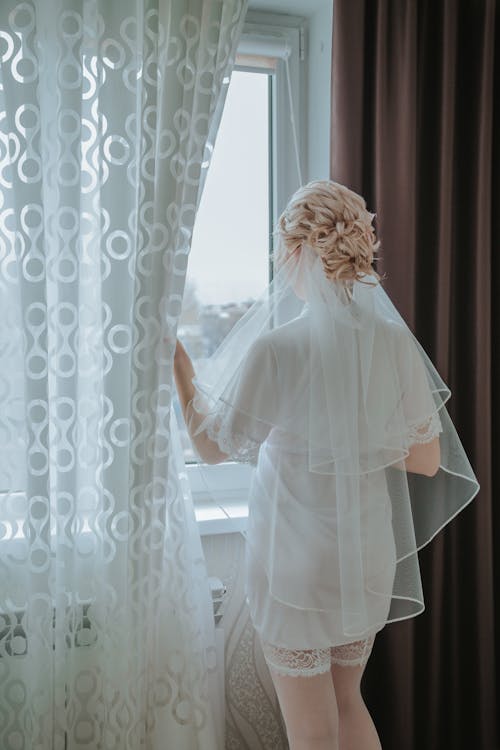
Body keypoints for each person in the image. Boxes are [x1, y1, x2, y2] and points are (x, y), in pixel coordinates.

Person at [173, 180, 479, 750]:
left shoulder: (278, 349)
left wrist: (180, 366)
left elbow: (214, 449)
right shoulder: (393, 343)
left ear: (295, 253)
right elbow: (428, 461)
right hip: (364, 554)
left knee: (310, 727)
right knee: (347, 702)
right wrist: (358, 441)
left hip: (296, 560)